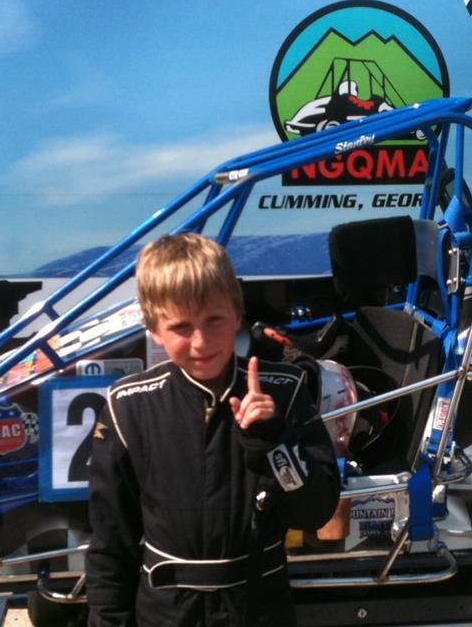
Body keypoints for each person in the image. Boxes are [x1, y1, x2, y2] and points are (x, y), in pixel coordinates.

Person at [86, 233, 341, 627]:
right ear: (154, 329)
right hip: (165, 613)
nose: (201, 342)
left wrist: (273, 444)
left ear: (237, 314)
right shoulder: (128, 406)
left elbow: (315, 513)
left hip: (259, 610)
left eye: (214, 320)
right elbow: (110, 547)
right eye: (181, 327)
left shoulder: (285, 391)